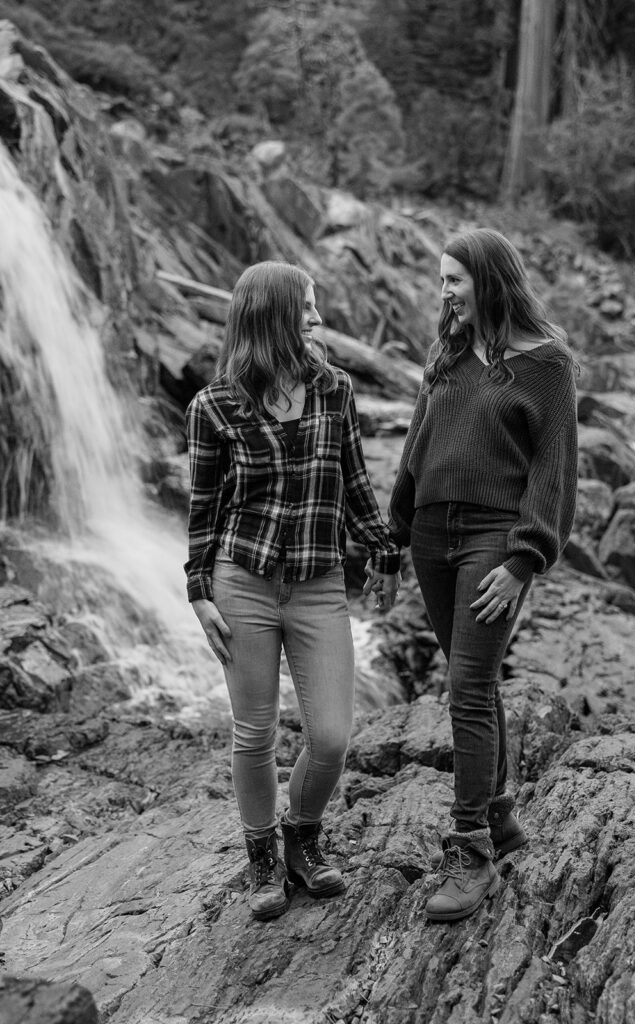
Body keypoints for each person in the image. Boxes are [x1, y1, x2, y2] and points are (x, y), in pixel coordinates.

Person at [185, 261, 400, 921]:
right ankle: (262, 859)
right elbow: (203, 509)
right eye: (305, 307)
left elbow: (355, 481)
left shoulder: (335, 389)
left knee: (331, 736)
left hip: (318, 583)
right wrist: (198, 591)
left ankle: (301, 834)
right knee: (253, 733)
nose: (316, 318)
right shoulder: (213, 407)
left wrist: (385, 553)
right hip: (241, 582)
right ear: (272, 315)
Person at [388, 228, 578, 923]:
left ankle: (470, 852)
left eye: (454, 280)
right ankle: (499, 816)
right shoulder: (448, 352)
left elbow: (555, 469)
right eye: (441, 280)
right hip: (430, 535)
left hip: (492, 540)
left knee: (466, 688)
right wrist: (393, 537)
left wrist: (523, 560)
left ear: (490, 281)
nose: (443, 293)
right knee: (475, 681)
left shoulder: (547, 363)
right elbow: (418, 445)